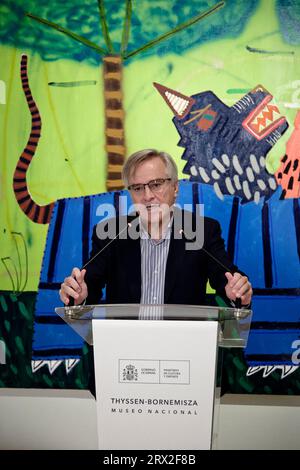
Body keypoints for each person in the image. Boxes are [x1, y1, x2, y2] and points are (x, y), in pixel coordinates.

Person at [59, 149, 252, 308]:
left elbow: (227, 278)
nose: (147, 195)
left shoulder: (203, 230)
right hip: (124, 347)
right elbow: (89, 283)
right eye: (137, 188)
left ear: (175, 188)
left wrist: (236, 291)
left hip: (183, 346)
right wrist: (79, 295)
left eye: (156, 184)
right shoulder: (111, 232)